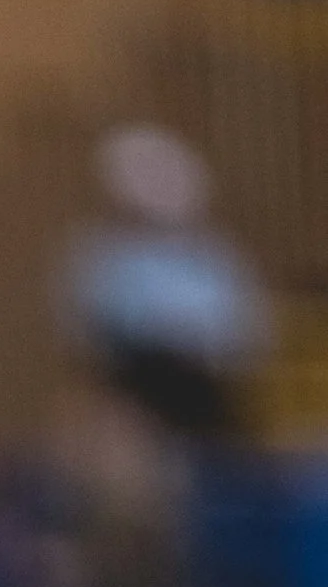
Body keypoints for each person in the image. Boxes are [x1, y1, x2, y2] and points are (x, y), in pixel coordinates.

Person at [63, 125, 270, 449]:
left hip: (217, 398)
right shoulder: (101, 259)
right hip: (138, 400)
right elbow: (101, 335)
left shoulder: (212, 256)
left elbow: (247, 329)